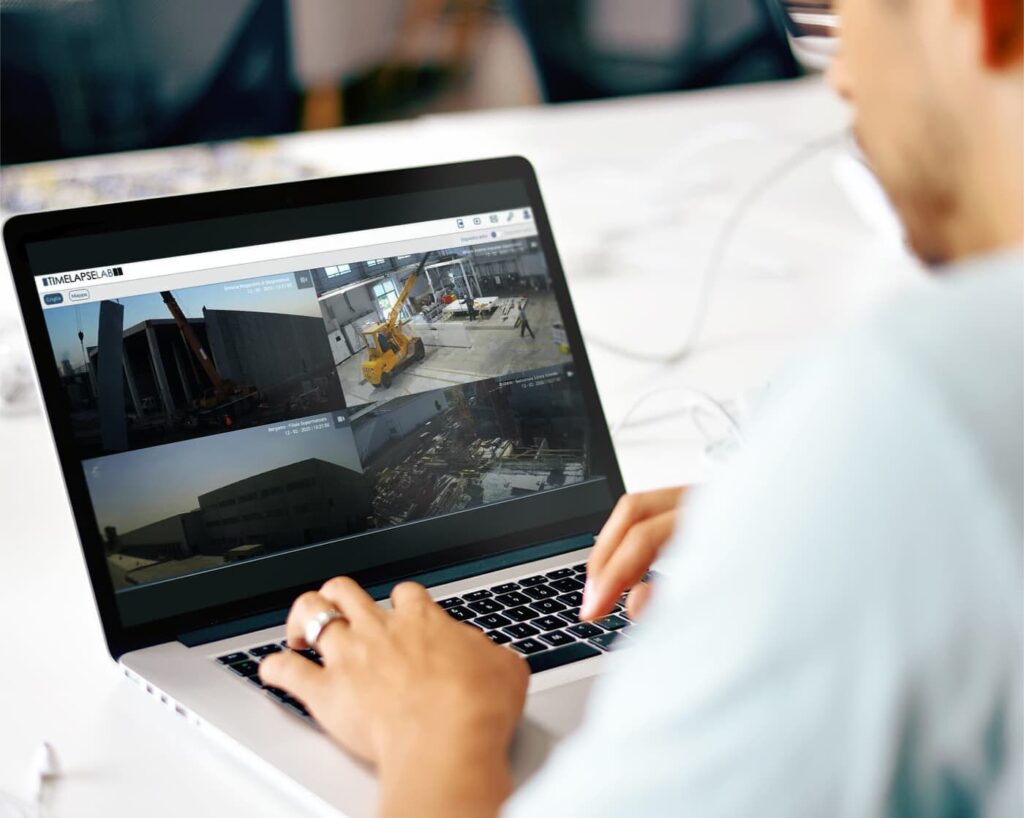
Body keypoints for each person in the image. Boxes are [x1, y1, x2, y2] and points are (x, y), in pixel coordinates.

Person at [260, 1, 1023, 815]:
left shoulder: (910, 412)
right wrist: (810, 524)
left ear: (975, 13)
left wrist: (433, 735)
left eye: (833, 14)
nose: (837, 77)